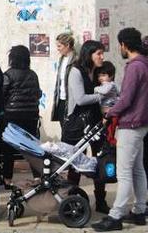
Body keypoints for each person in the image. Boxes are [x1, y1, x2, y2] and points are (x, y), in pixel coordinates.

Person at [93, 28, 148, 231]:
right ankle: (140, 210)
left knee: (124, 172)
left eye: (120, 45)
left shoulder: (134, 67)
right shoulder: (145, 64)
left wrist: (109, 113)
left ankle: (116, 216)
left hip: (130, 124)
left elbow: (126, 99)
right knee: (138, 169)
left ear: (124, 44)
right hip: (142, 123)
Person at [63, 40, 109, 213]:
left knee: (100, 160)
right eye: (99, 53)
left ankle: (101, 201)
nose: (101, 57)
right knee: (75, 163)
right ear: (89, 54)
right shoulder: (76, 71)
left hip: (95, 121)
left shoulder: (97, 71)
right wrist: (101, 95)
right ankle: (71, 201)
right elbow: (81, 99)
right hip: (77, 123)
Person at [1, 45, 42, 188]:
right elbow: (38, 94)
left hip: (12, 115)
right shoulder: (33, 74)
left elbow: (2, 94)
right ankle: (37, 177)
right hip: (31, 115)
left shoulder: (8, 74)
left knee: (8, 148)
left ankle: (7, 178)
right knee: (31, 146)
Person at [52, 32, 77, 123]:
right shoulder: (61, 59)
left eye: (59, 46)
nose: (58, 49)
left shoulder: (76, 60)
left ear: (67, 45)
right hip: (61, 99)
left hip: (71, 100)